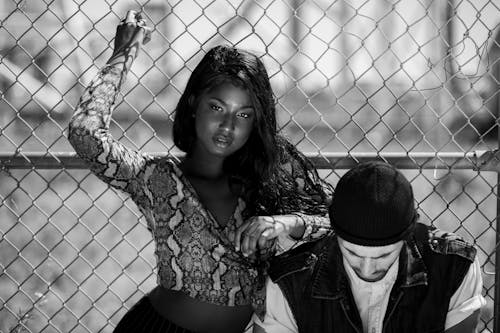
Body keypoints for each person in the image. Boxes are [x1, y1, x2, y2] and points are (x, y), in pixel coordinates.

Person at [68, 10, 333, 333]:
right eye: (217, 107)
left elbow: (338, 225)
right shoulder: (157, 178)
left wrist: (286, 222)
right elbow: (85, 133)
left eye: (244, 115)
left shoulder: (271, 173)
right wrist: (125, 53)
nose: (227, 126)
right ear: (194, 103)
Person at [253, 161, 486, 333]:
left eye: (384, 255)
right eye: (352, 253)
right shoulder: (290, 282)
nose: (366, 268)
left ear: (409, 236)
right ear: (333, 235)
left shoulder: (454, 266)